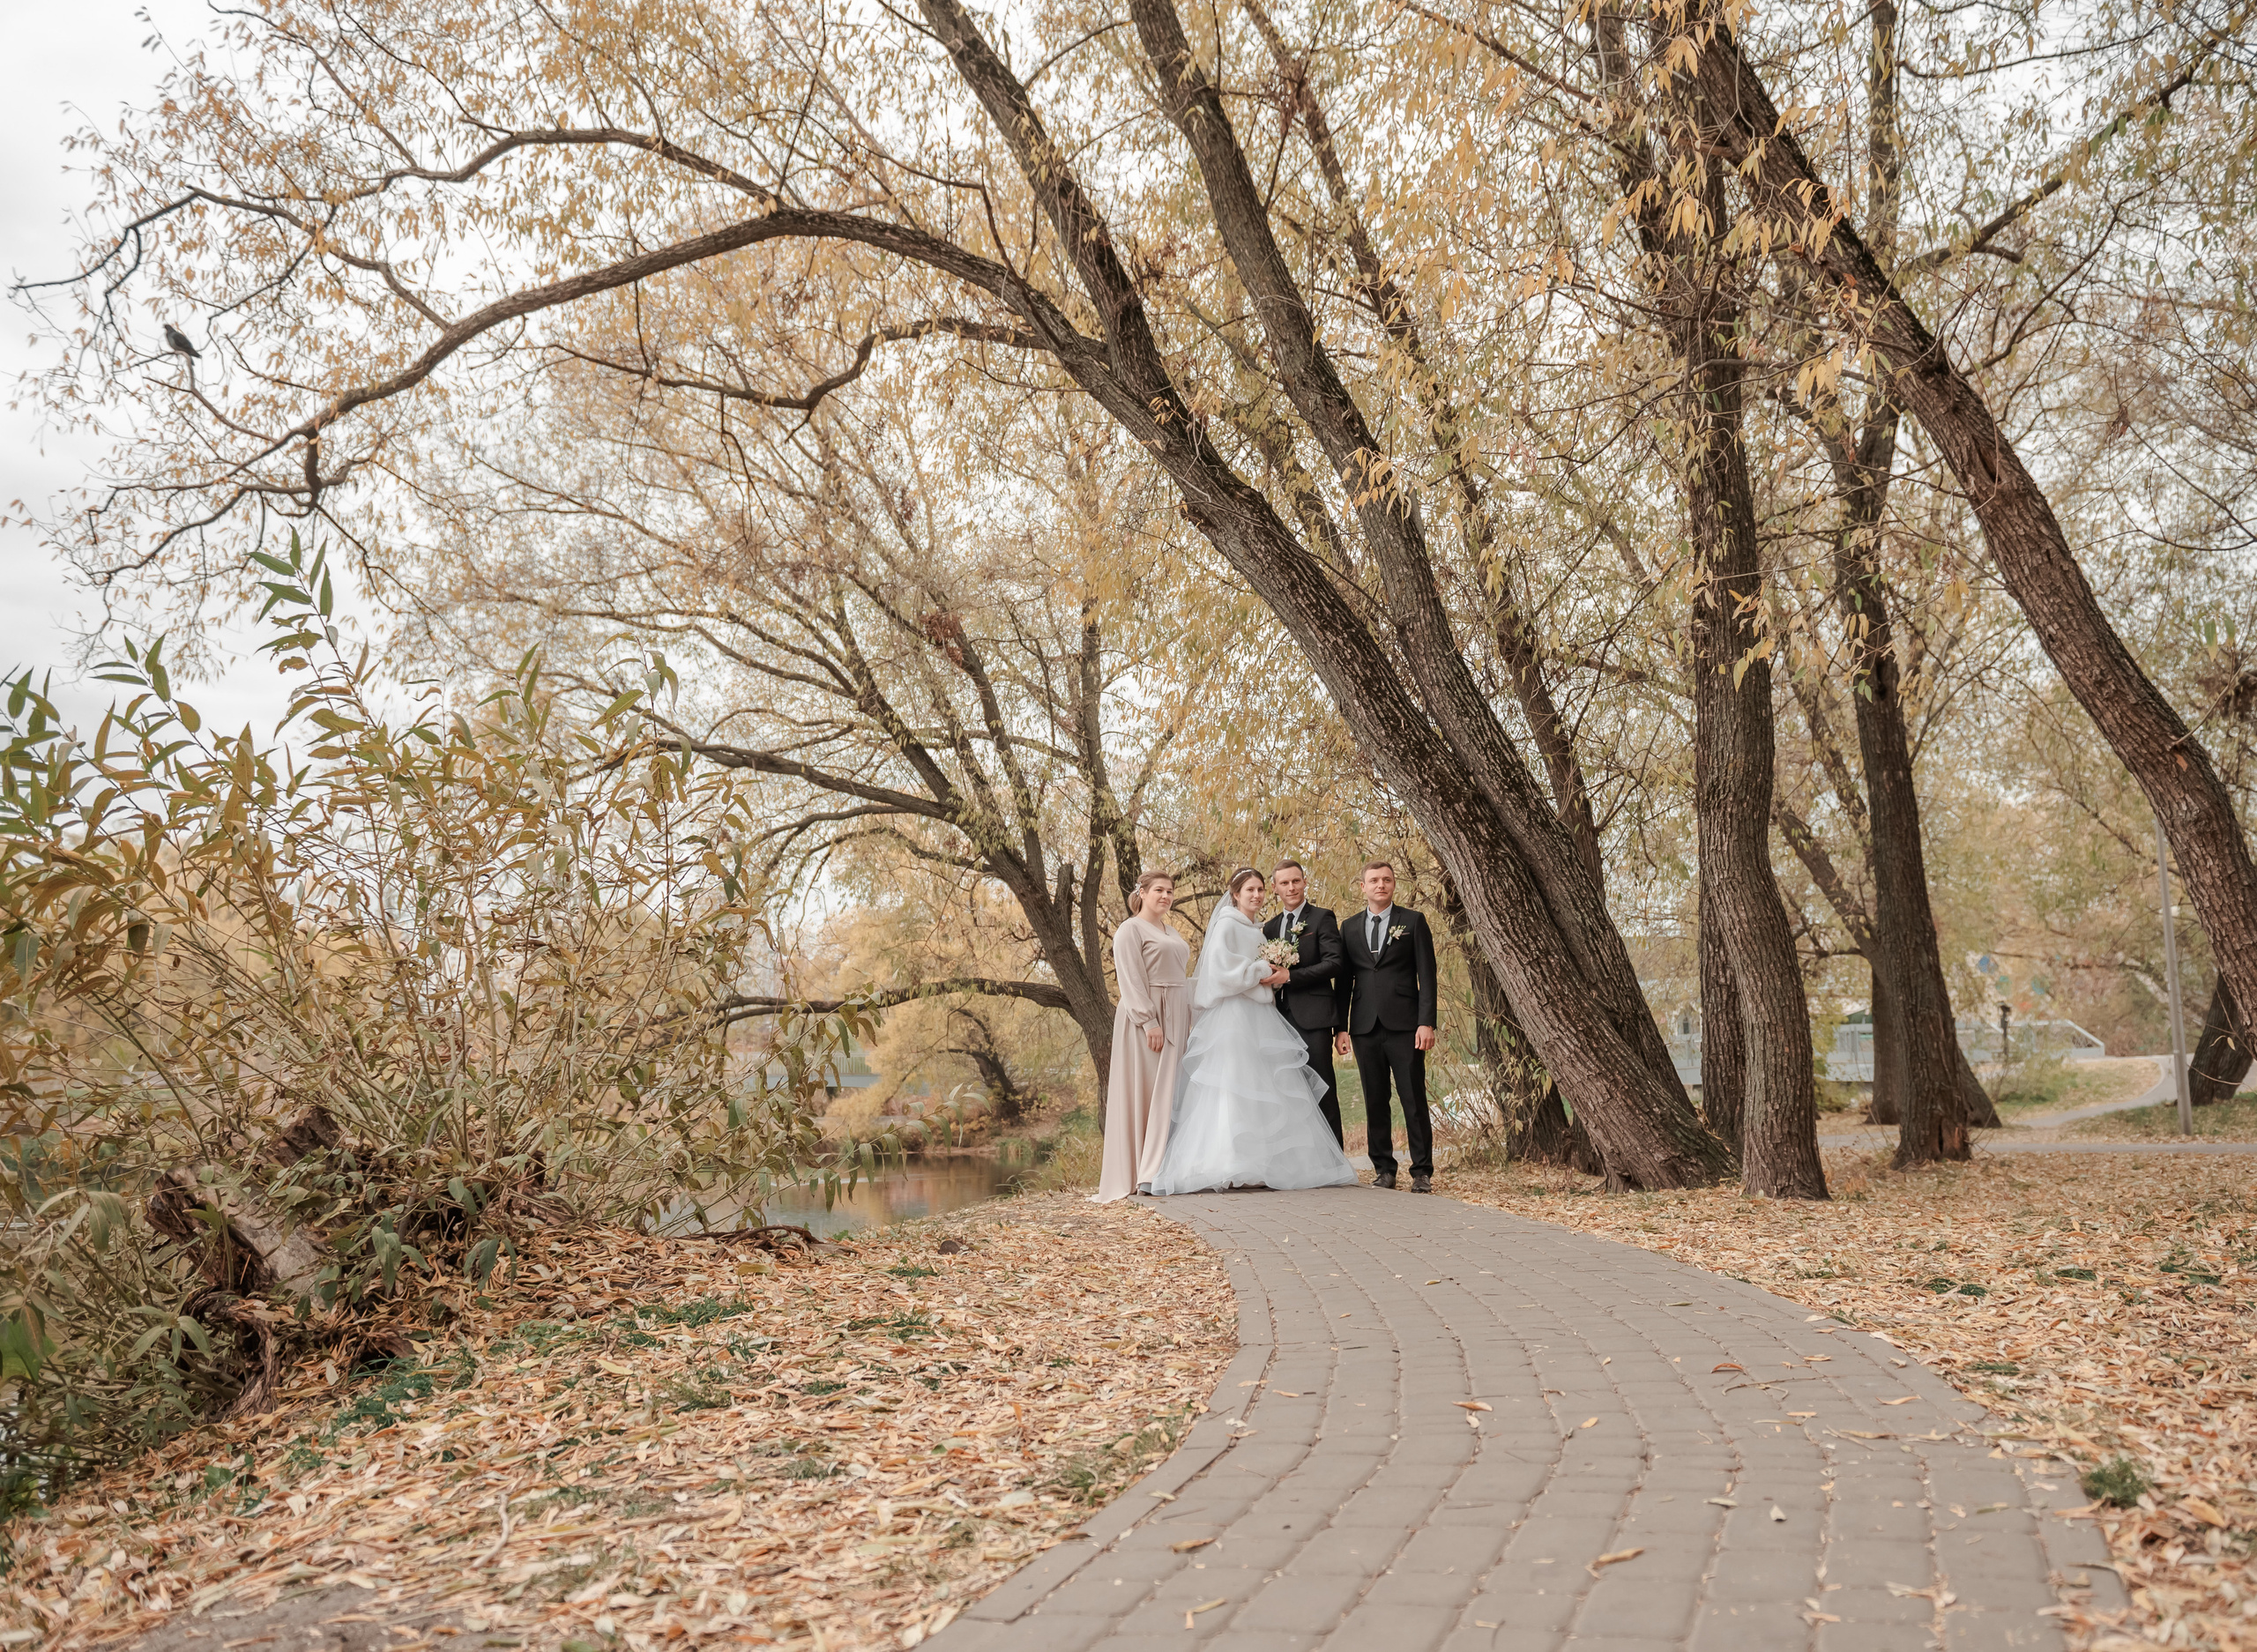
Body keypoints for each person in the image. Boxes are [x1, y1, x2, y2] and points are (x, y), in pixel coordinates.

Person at [1148, 867, 1359, 1195]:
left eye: (1260, 889)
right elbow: (1221, 971)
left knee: (1265, 1085)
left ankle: (1264, 1163)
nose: (1257, 895)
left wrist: (1276, 972)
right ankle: (1230, 1161)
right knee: (1234, 1084)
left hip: (1262, 1014)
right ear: (1235, 894)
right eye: (1250, 890)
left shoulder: (1260, 929)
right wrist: (1261, 969)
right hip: (1234, 1017)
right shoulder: (1227, 925)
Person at [1336, 859, 1439, 1192]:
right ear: (1363, 886)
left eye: (1387, 880)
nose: (1381, 885)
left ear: (1394, 885)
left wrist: (1426, 1022)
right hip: (1365, 1026)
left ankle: (1422, 1171)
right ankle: (1384, 1169)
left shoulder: (1413, 921)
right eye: (1374, 880)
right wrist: (1340, 1027)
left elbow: (1428, 976)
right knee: (1374, 1100)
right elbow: (1345, 982)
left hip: (1406, 1026)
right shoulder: (1349, 928)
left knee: (1413, 1097)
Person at [1092, 871, 1190, 1203]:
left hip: (1177, 1015)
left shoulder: (1171, 931)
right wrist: (1149, 1021)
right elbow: (1131, 978)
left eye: (1170, 891)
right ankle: (1144, 1172)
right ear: (1143, 893)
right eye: (1159, 890)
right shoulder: (1130, 930)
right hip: (1148, 1018)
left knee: (1171, 1091)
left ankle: (1164, 1167)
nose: (1166, 896)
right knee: (1149, 1091)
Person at [1262, 860, 1347, 1146]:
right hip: (1278, 1019)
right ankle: (1300, 1155)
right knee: (1287, 1088)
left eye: (1295, 881)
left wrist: (1291, 976)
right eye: (1284, 883)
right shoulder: (1269, 927)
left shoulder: (1322, 918)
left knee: (1321, 1086)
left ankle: (1334, 1159)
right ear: (1274, 888)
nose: (1291, 888)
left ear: (1304, 882)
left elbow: (1335, 963)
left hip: (1314, 1016)